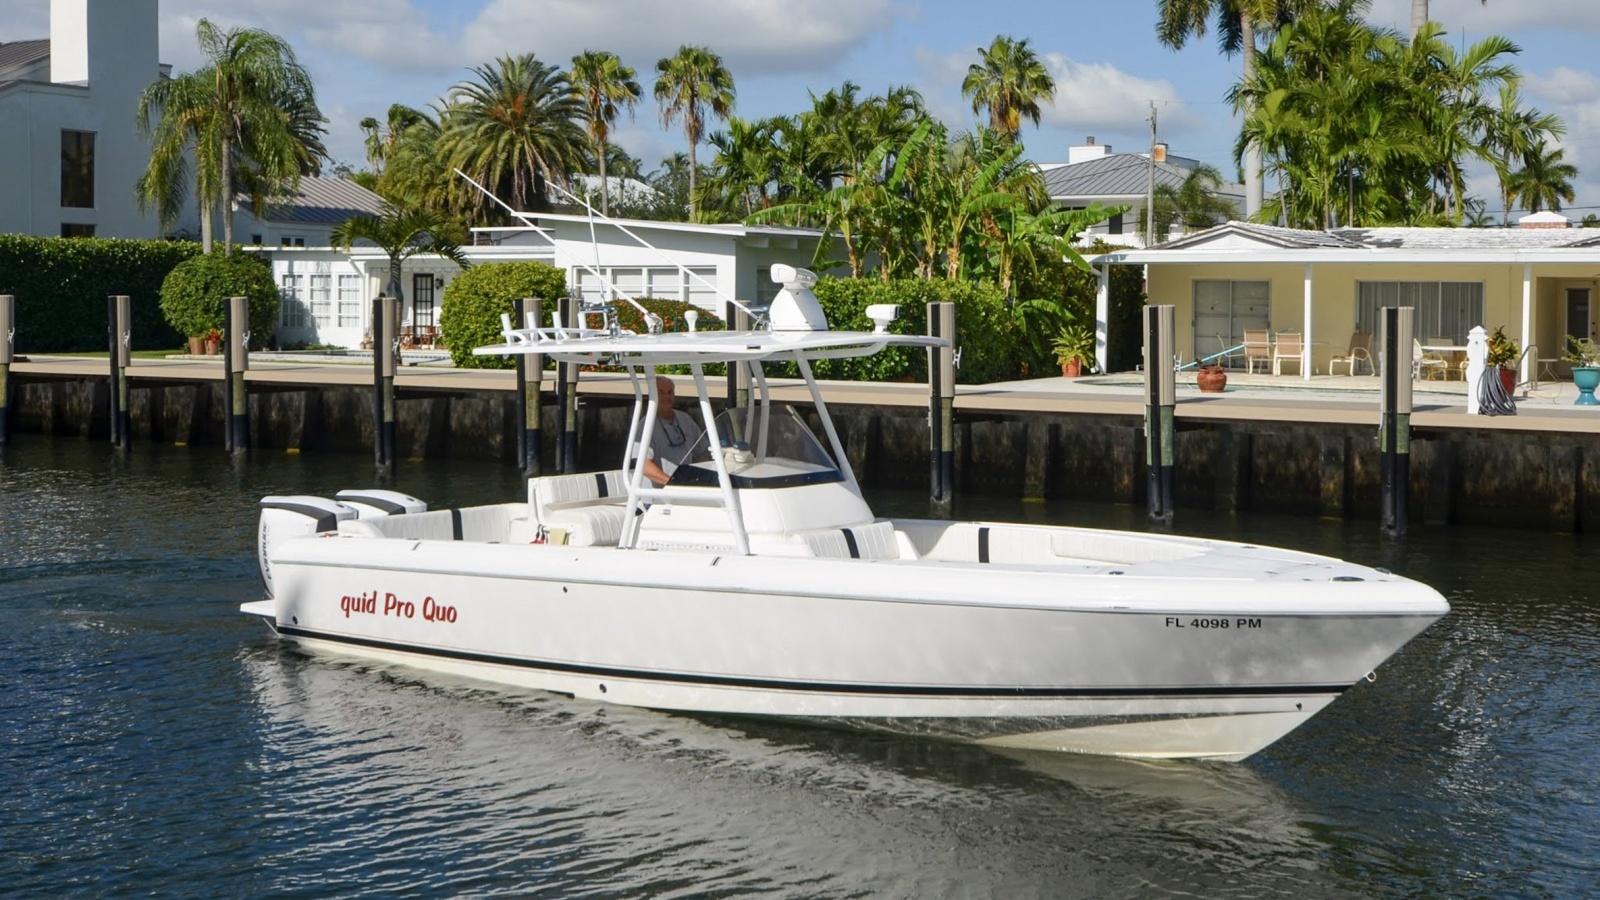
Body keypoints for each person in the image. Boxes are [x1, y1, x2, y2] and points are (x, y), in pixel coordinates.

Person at [642, 376, 703, 486]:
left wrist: (697, 478)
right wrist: (673, 483)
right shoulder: (645, 425)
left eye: (670, 392)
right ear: (652, 395)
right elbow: (644, 466)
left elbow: (702, 451)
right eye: (661, 392)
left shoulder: (685, 419)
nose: (667, 397)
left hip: (687, 489)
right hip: (659, 496)